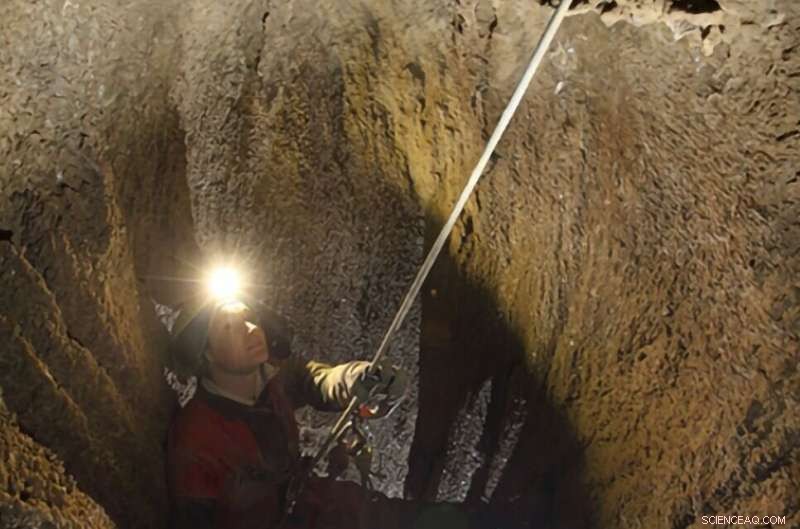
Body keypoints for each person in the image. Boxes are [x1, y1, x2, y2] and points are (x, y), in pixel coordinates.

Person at [165, 297, 474, 529]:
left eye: (248, 318)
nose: (251, 330)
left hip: (322, 508)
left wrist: (356, 378)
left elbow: (316, 380)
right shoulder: (197, 440)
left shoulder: (273, 379)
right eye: (229, 327)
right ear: (205, 353)